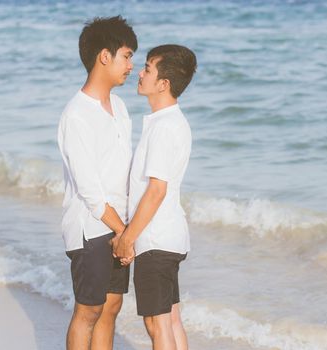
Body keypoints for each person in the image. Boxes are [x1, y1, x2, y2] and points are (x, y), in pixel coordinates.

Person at [57, 16, 137, 350]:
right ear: (105, 56)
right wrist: (122, 232)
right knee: (89, 310)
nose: (132, 65)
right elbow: (90, 191)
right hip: (91, 227)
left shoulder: (119, 107)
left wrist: (128, 229)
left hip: (119, 224)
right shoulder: (76, 114)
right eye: (127, 55)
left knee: (112, 308)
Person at [113, 44, 197, 350]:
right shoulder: (169, 122)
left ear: (164, 83)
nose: (140, 72)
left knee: (156, 322)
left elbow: (156, 191)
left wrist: (127, 238)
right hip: (168, 238)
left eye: (148, 68)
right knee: (171, 320)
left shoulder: (164, 127)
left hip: (156, 239)